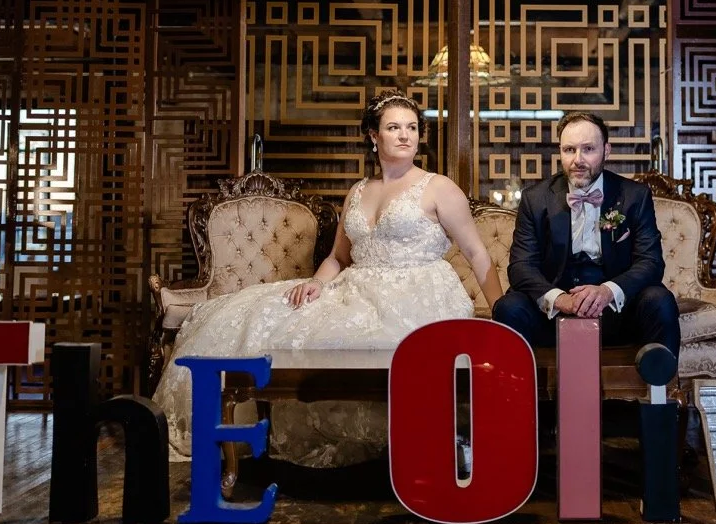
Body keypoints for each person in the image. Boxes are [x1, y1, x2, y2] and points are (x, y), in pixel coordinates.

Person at [153, 89, 503, 464]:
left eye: (412, 127)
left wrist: (502, 312)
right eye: (394, 127)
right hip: (357, 285)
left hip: (417, 291)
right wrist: (317, 283)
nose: (405, 135)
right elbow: (338, 257)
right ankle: (234, 434)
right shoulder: (358, 191)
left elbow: (477, 253)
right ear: (374, 136)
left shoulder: (438, 187)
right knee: (263, 314)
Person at [492, 111, 680, 357]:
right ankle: (517, 393)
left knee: (660, 300)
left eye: (588, 149)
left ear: (606, 151)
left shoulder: (634, 196)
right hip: (554, 315)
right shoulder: (535, 198)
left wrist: (607, 292)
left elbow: (651, 262)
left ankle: (659, 390)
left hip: (616, 314)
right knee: (509, 307)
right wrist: (559, 299)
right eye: (569, 150)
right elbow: (520, 267)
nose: (577, 160)